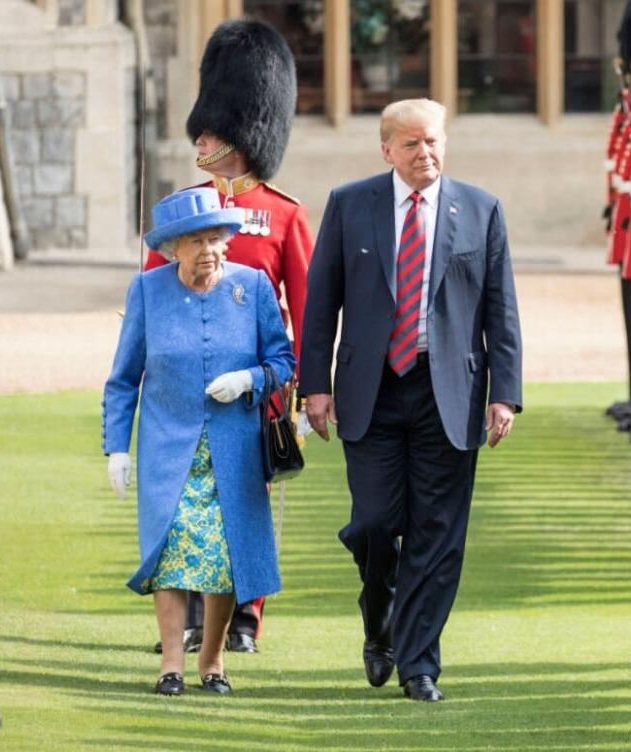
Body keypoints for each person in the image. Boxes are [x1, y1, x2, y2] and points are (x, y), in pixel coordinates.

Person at [300, 98, 523, 702]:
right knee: (374, 523)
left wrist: (505, 394)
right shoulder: (351, 205)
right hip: (370, 389)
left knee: (438, 533)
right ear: (386, 150)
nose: (425, 154)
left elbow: (501, 312)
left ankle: (419, 663)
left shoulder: (481, 209)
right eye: (411, 145)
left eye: (434, 142)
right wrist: (313, 385)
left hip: (448, 391)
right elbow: (321, 303)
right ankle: (381, 618)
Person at [143, 18, 310, 657]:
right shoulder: (182, 207)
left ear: (242, 134)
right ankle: (187, 614)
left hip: (253, 391)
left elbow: (307, 308)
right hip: (186, 385)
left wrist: (307, 387)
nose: (203, 138)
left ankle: (245, 617)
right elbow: (151, 299)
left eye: (215, 130)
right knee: (186, 498)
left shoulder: (285, 214)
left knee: (247, 503)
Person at [102, 187, 295, 696]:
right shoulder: (147, 291)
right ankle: (170, 665)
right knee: (171, 551)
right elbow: (124, 378)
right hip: (168, 447)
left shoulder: (252, 287)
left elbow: (283, 362)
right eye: (196, 240)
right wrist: (117, 448)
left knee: (224, 556)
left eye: (216, 238)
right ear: (172, 249)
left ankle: (212, 662)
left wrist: (249, 380)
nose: (209, 249)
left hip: (234, 447)